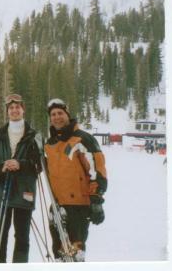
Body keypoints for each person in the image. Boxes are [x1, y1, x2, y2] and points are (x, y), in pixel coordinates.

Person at [44, 98, 108, 261]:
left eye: (60, 113)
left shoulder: (82, 139)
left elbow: (97, 169)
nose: (57, 117)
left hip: (78, 207)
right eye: (53, 114)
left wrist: (96, 199)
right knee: (59, 252)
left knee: (75, 253)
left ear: (67, 115)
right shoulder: (49, 144)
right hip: (57, 205)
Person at [0, 94, 41, 263]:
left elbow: (39, 165)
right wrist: (1, 166)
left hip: (25, 190)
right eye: (11, 108)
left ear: (23, 109)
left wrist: (20, 164)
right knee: (0, 234)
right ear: (7, 112)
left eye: (18, 107)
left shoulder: (34, 136)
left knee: (22, 236)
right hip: (2, 190)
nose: (14, 110)